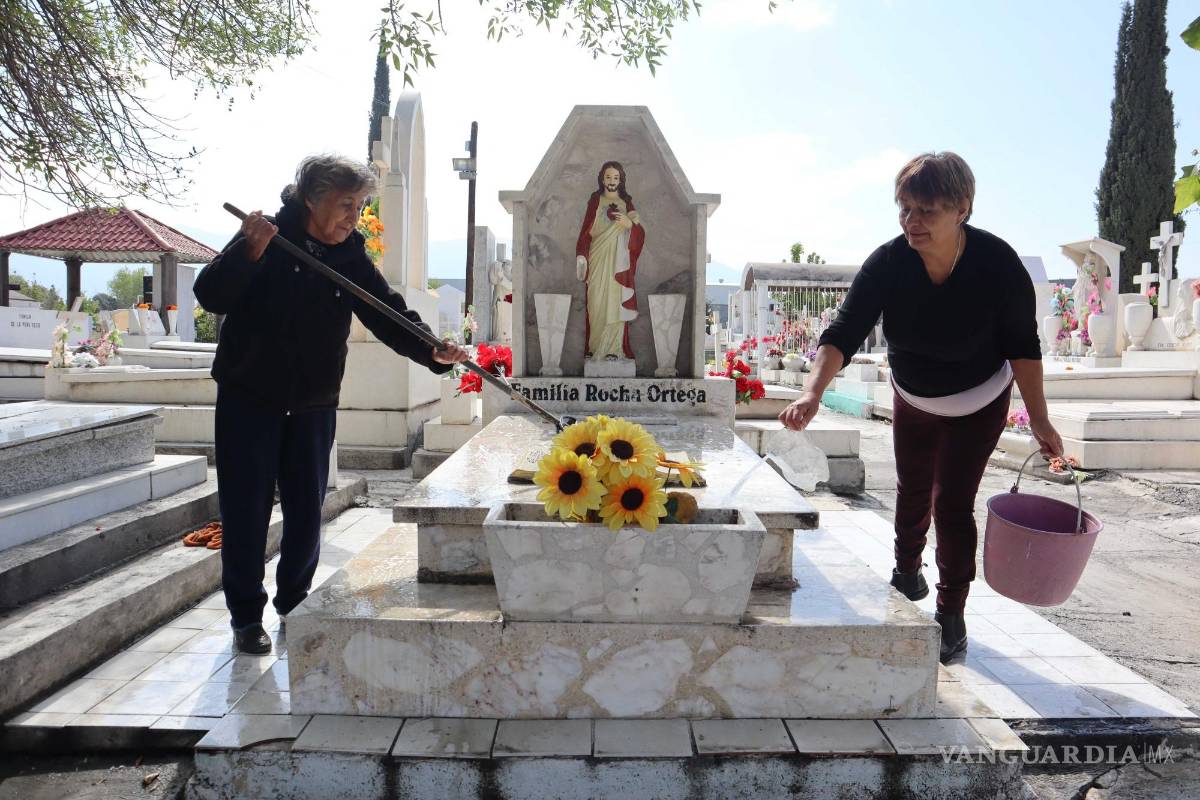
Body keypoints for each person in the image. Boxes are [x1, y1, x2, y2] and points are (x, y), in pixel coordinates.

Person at [779, 151, 1064, 664]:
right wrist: (812, 392)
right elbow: (843, 331)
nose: (912, 222)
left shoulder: (998, 265)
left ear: (962, 208)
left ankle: (951, 613)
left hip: (979, 402)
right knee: (911, 493)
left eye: (926, 211)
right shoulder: (889, 263)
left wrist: (1040, 418)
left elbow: (1023, 344)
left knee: (952, 503)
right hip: (913, 397)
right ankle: (906, 572)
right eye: (905, 209)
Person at [194, 154, 468, 654]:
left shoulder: (349, 255)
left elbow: (387, 313)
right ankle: (244, 617)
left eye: (360, 207)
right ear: (311, 198)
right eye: (347, 205)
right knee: (246, 511)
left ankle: (294, 602)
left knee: (305, 512)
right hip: (249, 399)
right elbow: (211, 294)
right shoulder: (264, 235)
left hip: (314, 403)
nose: (353, 217)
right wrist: (246, 254)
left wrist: (431, 350)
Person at [575, 161, 645, 361]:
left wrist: (630, 224)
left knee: (615, 301)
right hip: (597, 255)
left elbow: (639, 233)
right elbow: (586, 230)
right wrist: (581, 254)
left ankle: (614, 348)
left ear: (621, 180)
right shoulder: (596, 200)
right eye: (608, 177)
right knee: (596, 302)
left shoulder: (626, 203)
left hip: (618, 262)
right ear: (602, 179)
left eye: (616, 177)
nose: (612, 181)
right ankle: (595, 345)